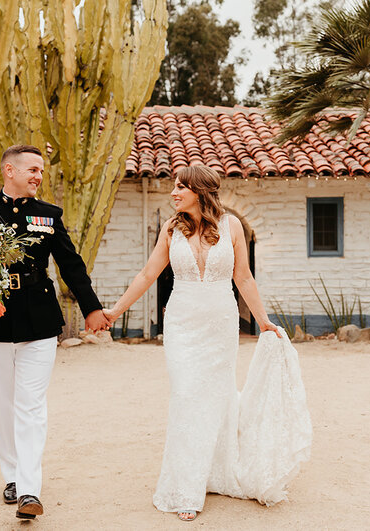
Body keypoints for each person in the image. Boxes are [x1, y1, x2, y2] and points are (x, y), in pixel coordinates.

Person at [104, 164, 312, 521]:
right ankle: (186, 486)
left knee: (217, 396)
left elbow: (243, 276)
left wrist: (262, 321)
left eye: (180, 186)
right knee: (186, 397)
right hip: (183, 324)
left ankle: (216, 472)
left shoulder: (232, 226)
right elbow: (147, 274)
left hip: (220, 324)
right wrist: (115, 311)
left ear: (200, 191)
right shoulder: (171, 229)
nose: (173, 192)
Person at [0, 144, 110, 520]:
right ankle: (10, 475)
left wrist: (91, 308)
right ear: (9, 170)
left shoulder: (48, 215)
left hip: (41, 321)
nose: (38, 177)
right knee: (3, 403)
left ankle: (29, 489)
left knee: (31, 405)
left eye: (41, 171)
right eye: (32, 170)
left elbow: (70, 264)